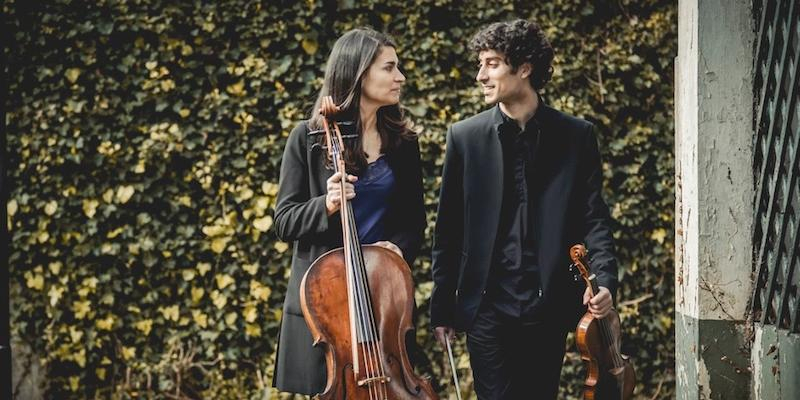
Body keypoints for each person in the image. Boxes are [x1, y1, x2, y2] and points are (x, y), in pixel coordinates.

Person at [429, 19, 618, 399]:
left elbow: (593, 217)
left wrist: (605, 281)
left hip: (547, 308)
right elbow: (448, 230)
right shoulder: (464, 138)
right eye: (480, 64)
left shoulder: (576, 137)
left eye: (492, 63)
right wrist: (442, 309)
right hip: (485, 307)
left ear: (525, 68)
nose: (481, 75)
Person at [272, 28, 426, 395]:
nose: (400, 77)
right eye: (390, 68)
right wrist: (324, 205)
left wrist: (397, 251)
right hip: (328, 309)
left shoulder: (403, 144)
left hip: (383, 300)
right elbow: (284, 220)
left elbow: (414, 222)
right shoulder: (308, 139)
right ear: (358, 73)